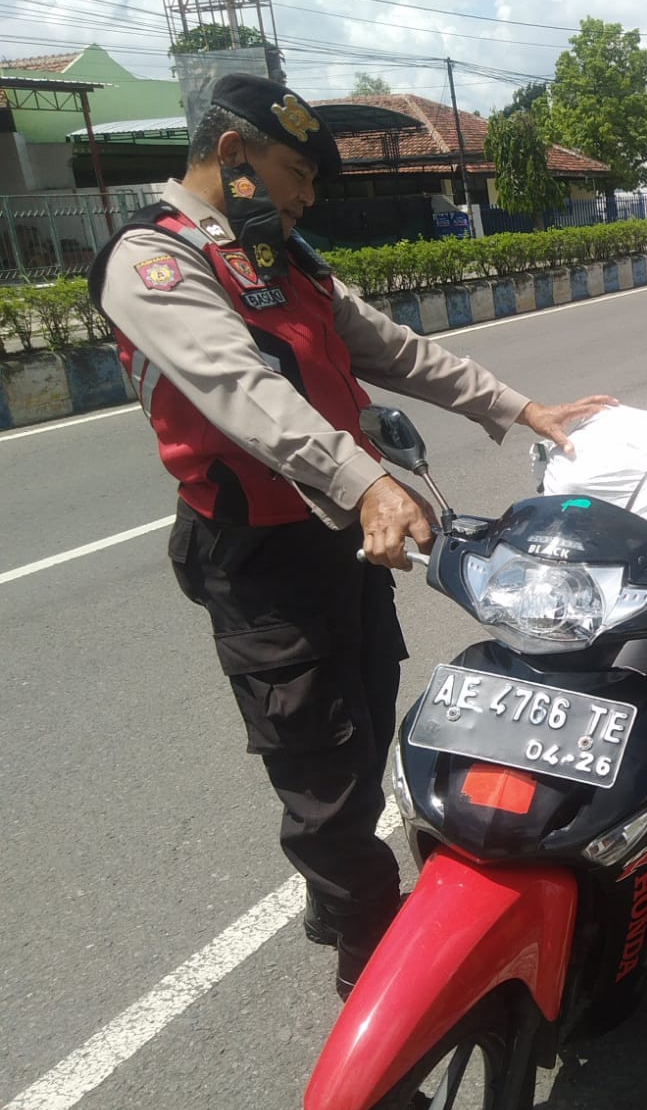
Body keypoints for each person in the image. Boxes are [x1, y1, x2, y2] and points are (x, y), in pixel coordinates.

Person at [88, 73, 613, 998]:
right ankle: (372, 975)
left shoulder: (284, 255)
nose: (306, 195)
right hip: (262, 563)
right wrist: (368, 480)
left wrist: (522, 407)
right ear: (231, 154)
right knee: (321, 773)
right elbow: (241, 391)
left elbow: (393, 349)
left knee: (366, 733)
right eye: (296, 172)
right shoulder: (155, 262)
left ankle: (342, 902)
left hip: (344, 538)